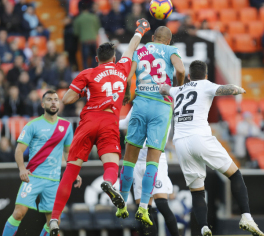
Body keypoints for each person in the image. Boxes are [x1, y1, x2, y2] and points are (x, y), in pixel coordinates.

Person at [48, 19, 151, 235]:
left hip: (88, 121)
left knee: (70, 172)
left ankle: (55, 219)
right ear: (114, 58)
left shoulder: (88, 73)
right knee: (112, 165)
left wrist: (79, 91)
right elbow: (132, 46)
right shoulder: (122, 68)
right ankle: (108, 183)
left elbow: (66, 99)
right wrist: (141, 29)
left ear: (97, 59)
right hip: (109, 122)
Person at [159, 60, 264, 236]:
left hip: (181, 143)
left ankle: (203, 227)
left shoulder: (178, 89)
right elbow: (227, 89)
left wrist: (162, 88)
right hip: (200, 138)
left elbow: (164, 88)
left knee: (197, 191)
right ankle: (246, 216)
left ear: (189, 76)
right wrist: (239, 89)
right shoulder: (206, 84)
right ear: (205, 75)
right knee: (234, 174)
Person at [119, 25, 186, 226]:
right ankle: (143, 208)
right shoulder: (170, 50)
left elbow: (128, 74)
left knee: (129, 159)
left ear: (153, 37)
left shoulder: (141, 49)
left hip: (140, 103)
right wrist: (177, 88)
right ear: (167, 41)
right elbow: (181, 69)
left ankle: (122, 202)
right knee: (153, 161)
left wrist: (127, 94)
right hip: (160, 107)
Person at [2, 90, 81, 236]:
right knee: (19, 213)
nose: (53, 102)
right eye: (49, 99)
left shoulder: (66, 126)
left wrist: (74, 172)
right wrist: (22, 169)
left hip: (53, 180)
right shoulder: (33, 125)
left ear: (59, 104)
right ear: (43, 104)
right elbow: (19, 150)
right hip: (33, 176)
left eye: (56, 99)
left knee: (53, 223)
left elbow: (68, 152)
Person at [119, 108, 179, 236]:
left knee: (162, 205)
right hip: (137, 161)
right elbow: (124, 123)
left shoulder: (163, 106)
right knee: (143, 210)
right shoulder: (137, 105)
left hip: (155, 159)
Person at [73, 4, 100, 69]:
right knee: (95, 57)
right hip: (93, 40)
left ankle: (86, 73)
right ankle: (94, 71)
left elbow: (76, 33)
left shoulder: (78, 19)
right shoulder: (94, 17)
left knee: (85, 59)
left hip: (84, 41)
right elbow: (97, 28)